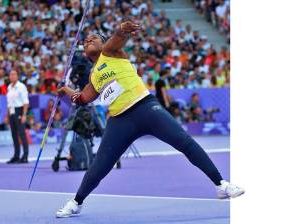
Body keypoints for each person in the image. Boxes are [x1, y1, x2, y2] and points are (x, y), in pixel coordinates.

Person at [56, 20, 244, 218]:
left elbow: (118, 37)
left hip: (146, 108)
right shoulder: (94, 77)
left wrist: (122, 30)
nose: (88, 41)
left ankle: (221, 185)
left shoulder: (111, 52)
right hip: (120, 121)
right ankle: (76, 202)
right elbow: (83, 99)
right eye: (85, 41)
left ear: (103, 43)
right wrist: (65, 90)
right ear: (85, 54)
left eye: (93, 38)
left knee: (184, 142)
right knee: (99, 167)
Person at [6, 70, 29, 164]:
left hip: (19, 110)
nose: (12, 76)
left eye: (14, 74)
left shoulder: (21, 86)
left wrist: (24, 114)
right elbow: (9, 103)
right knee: (14, 135)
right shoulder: (9, 87)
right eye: (10, 74)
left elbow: (26, 102)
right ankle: (16, 155)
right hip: (11, 112)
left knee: (22, 134)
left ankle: (25, 156)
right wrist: (7, 115)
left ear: (17, 76)